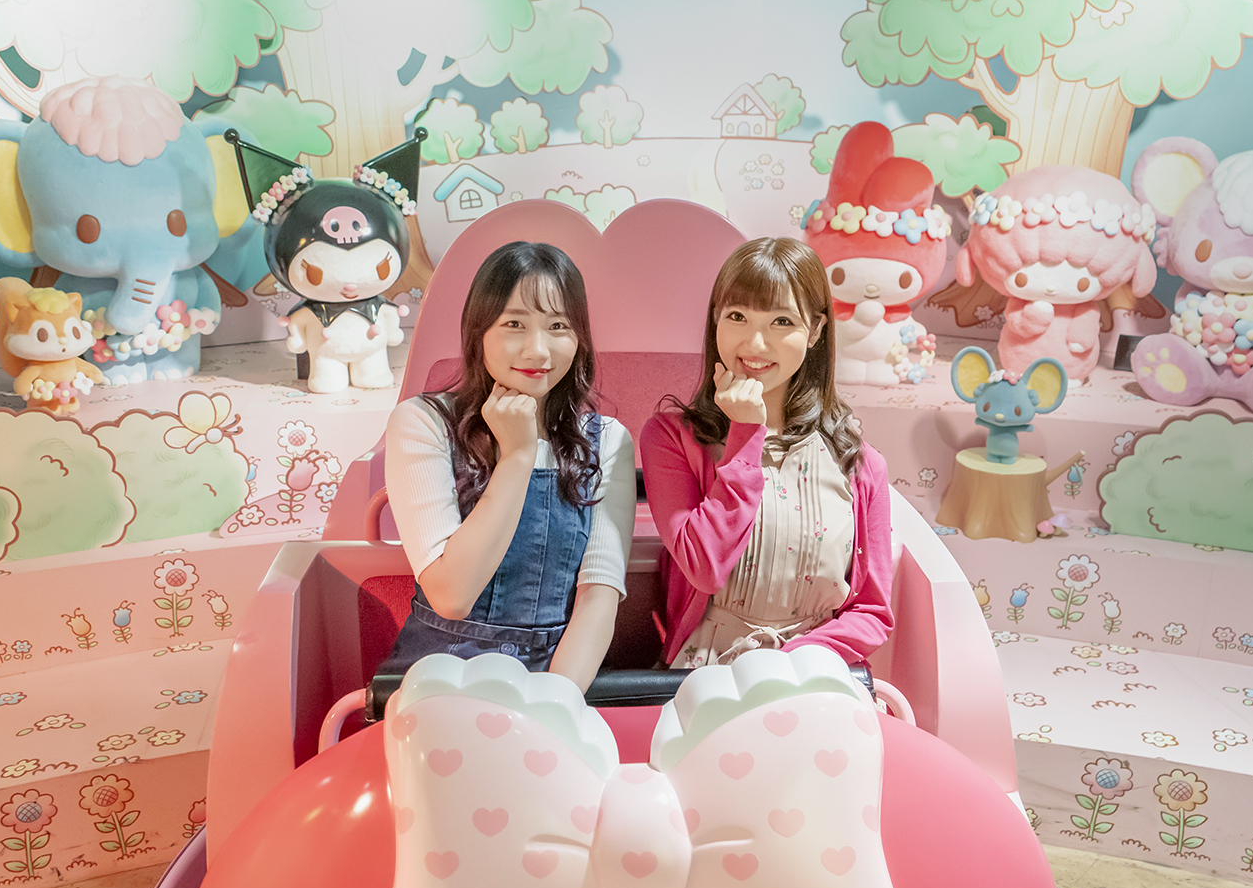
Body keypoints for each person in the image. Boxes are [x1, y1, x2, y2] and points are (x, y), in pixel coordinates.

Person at [376, 241, 635, 692]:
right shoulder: (423, 423)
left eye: (558, 326)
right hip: (440, 678)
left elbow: (599, 597)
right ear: (479, 331)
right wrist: (516, 456)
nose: (538, 350)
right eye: (514, 324)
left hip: (561, 679)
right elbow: (452, 595)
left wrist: (555, 705)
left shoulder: (608, 440)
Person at [642, 236, 895, 669]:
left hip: (814, 671)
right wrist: (745, 433)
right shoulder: (672, 438)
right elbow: (704, 566)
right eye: (737, 316)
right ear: (716, 319)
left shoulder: (860, 462)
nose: (755, 343)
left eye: (782, 321)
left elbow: (872, 613)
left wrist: (784, 665)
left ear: (815, 331)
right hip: (706, 674)